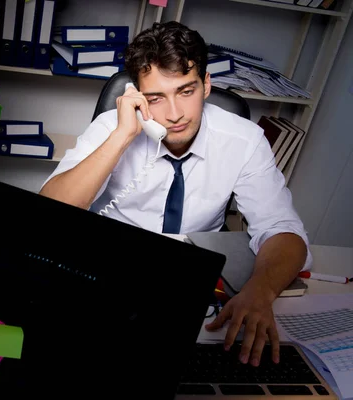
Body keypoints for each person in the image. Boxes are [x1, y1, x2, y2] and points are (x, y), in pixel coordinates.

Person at [39, 21, 311, 367]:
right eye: (156, 98)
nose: (175, 114)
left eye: (186, 91)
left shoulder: (244, 140)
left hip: (193, 281)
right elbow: (48, 215)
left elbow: (283, 229)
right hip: (113, 270)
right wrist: (122, 137)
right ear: (136, 97)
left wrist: (262, 290)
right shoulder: (112, 128)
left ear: (206, 85)